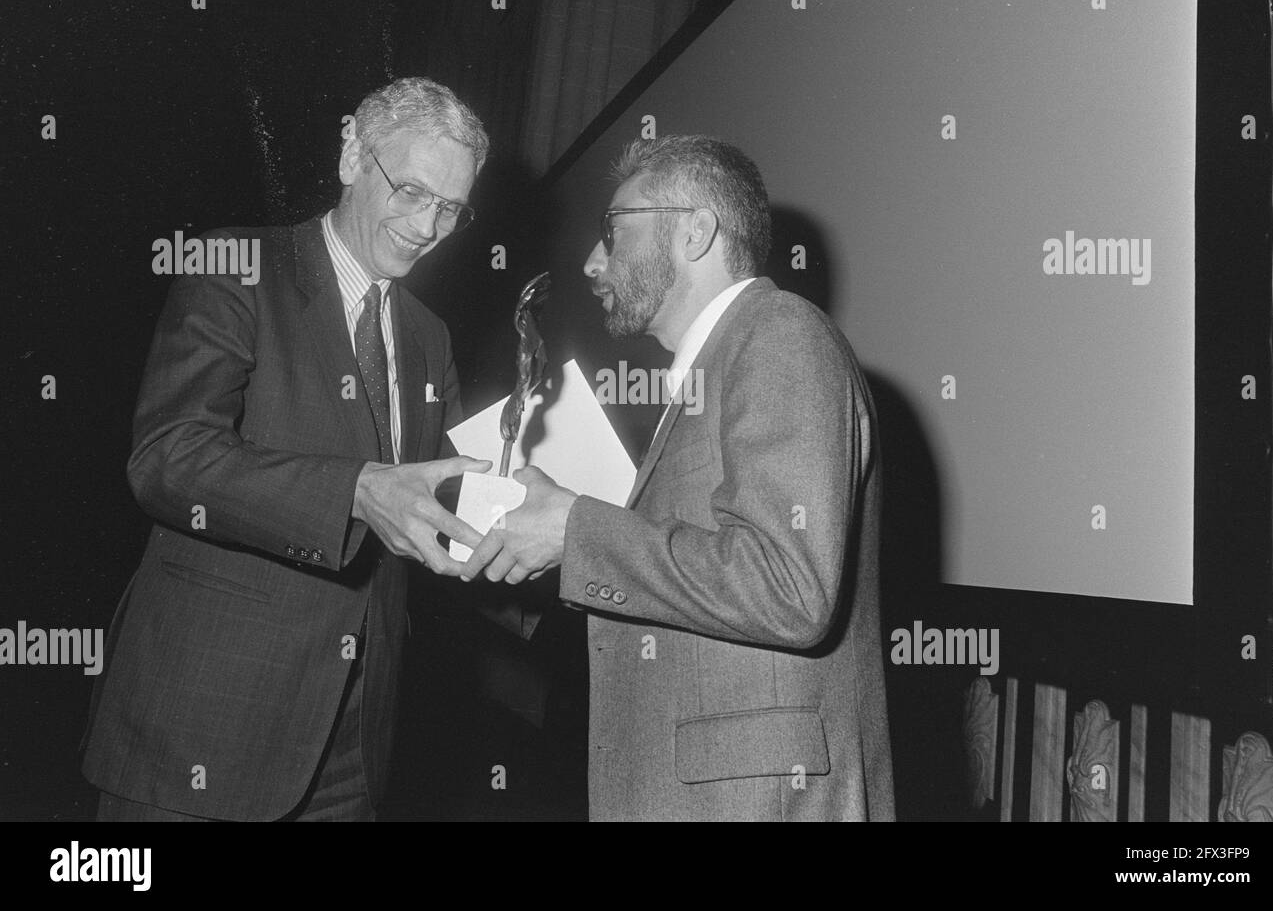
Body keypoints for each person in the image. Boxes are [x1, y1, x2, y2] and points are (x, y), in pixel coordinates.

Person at [82, 77, 504, 821]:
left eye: (449, 209)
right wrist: (353, 491)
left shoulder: (430, 337)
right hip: (203, 725)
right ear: (351, 154)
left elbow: (437, 503)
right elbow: (168, 459)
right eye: (410, 191)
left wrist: (525, 495)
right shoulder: (233, 266)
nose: (426, 225)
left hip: (354, 743)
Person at [463, 135, 896, 821]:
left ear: (695, 231)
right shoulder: (709, 373)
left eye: (614, 230)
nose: (592, 262)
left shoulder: (780, 332)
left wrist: (574, 528)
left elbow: (789, 588)